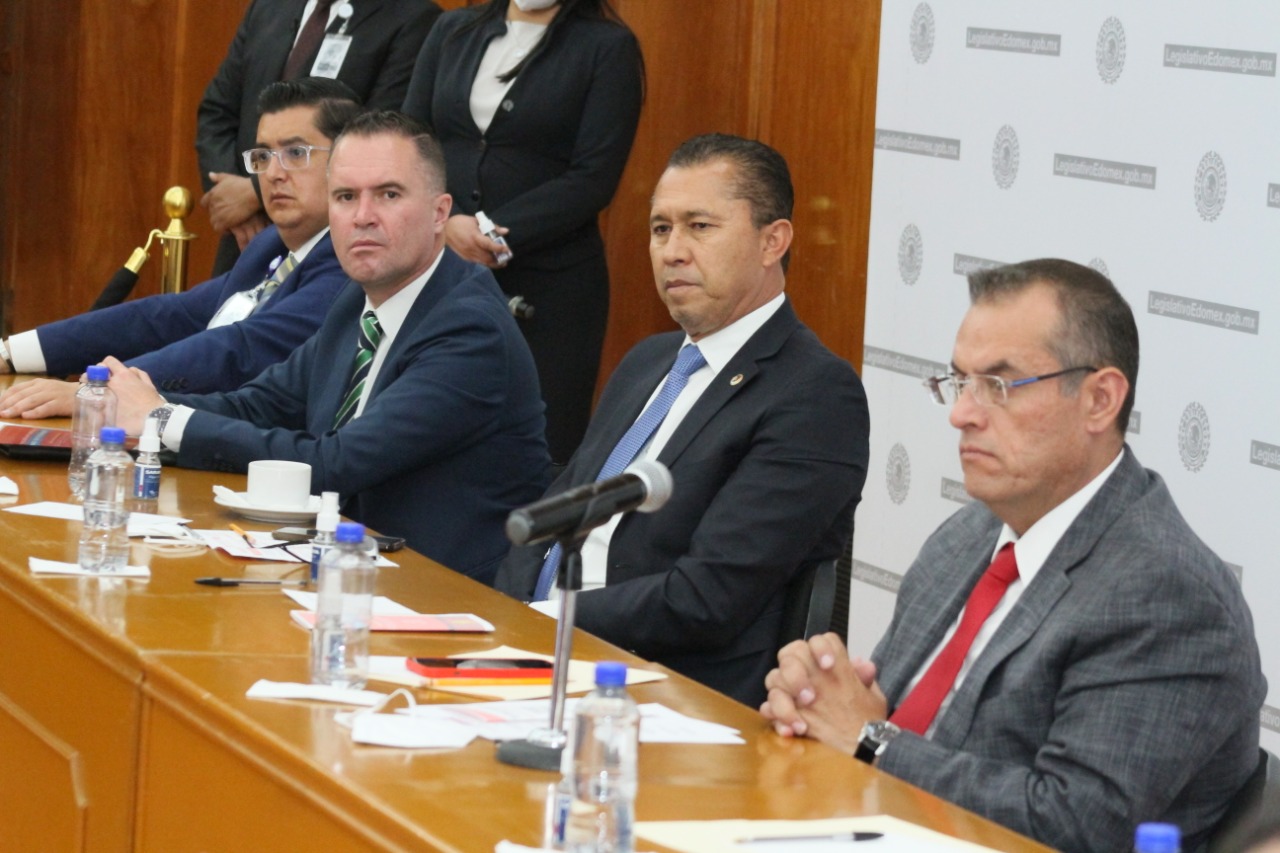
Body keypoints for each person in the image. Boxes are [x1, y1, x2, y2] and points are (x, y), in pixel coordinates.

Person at [761, 259, 1266, 851]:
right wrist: (816, 703)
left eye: (998, 386)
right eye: (959, 382)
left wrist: (869, 739)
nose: (961, 413)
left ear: (1100, 400)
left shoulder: (1165, 593)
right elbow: (879, 724)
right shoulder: (969, 534)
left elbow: (1074, 826)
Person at [496, 134, 870, 706]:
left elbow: (707, 598)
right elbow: (553, 518)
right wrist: (506, 617)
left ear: (773, 241)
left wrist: (544, 618)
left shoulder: (814, 393)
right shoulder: (647, 361)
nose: (672, 251)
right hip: (538, 654)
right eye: (660, 228)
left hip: (666, 694)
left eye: (699, 227)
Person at [107, 110, 549, 583]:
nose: (363, 216)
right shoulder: (357, 300)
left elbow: (336, 464)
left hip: (440, 592)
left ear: (440, 213)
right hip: (339, 567)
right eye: (345, 197)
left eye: (389, 194)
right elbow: (258, 405)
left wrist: (161, 419)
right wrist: (116, 400)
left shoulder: (470, 329)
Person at [0, 78, 361, 418]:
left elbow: (242, 349)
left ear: (347, 161)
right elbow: (168, 315)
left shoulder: (347, 260)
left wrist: (99, 391)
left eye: (296, 153)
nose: (273, 173)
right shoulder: (270, 245)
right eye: (263, 156)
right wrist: (11, 353)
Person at [402, 0, 644, 463]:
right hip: (440, 267)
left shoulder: (606, 46)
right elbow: (410, 139)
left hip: (552, 287)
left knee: (537, 450)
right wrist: (445, 222)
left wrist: (488, 232)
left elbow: (594, 176)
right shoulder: (452, 30)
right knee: (431, 431)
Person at [199, 0, 442, 276]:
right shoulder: (269, 6)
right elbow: (217, 111)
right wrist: (232, 200)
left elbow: (377, 134)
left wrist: (254, 191)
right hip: (246, 240)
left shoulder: (413, 17)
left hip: (335, 250)